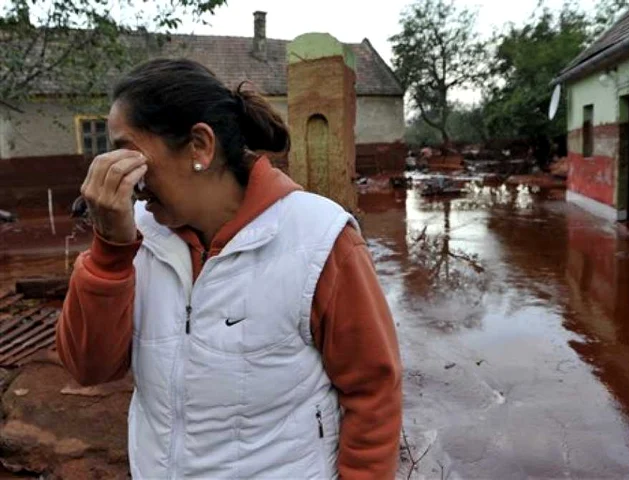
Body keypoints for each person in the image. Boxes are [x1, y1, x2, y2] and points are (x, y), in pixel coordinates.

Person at [56, 58, 402, 479]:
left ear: (199, 146)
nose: (122, 177)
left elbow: (373, 395)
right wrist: (111, 251)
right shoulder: (138, 241)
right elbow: (89, 369)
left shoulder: (319, 239)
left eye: (127, 153)